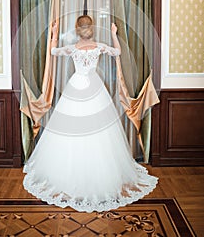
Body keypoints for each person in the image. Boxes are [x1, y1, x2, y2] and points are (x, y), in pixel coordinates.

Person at [23, 15, 158, 212]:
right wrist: (113, 34)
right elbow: (118, 52)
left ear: (78, 30)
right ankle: (100, 174)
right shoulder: (99, 47)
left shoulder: (72, 48)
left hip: (76, 87)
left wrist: (53, 33)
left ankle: (72, 175)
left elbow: (52, 51)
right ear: (91, 29)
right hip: (94, 88)